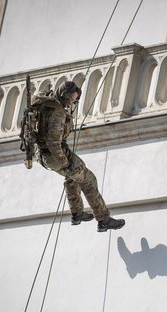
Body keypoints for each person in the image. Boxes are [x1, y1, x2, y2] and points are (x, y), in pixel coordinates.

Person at [33, 81, 125, 232]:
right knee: (88, 179)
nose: (73, 102)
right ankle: (104, 219)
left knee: (73, 177)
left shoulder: (49, 104)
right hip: (55, 155)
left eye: (75, 99)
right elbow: (53, 142)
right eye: (72, 98)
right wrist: (65, 163)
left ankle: (77, 213)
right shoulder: (57, 112)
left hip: (44, 155)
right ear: (64, 95)